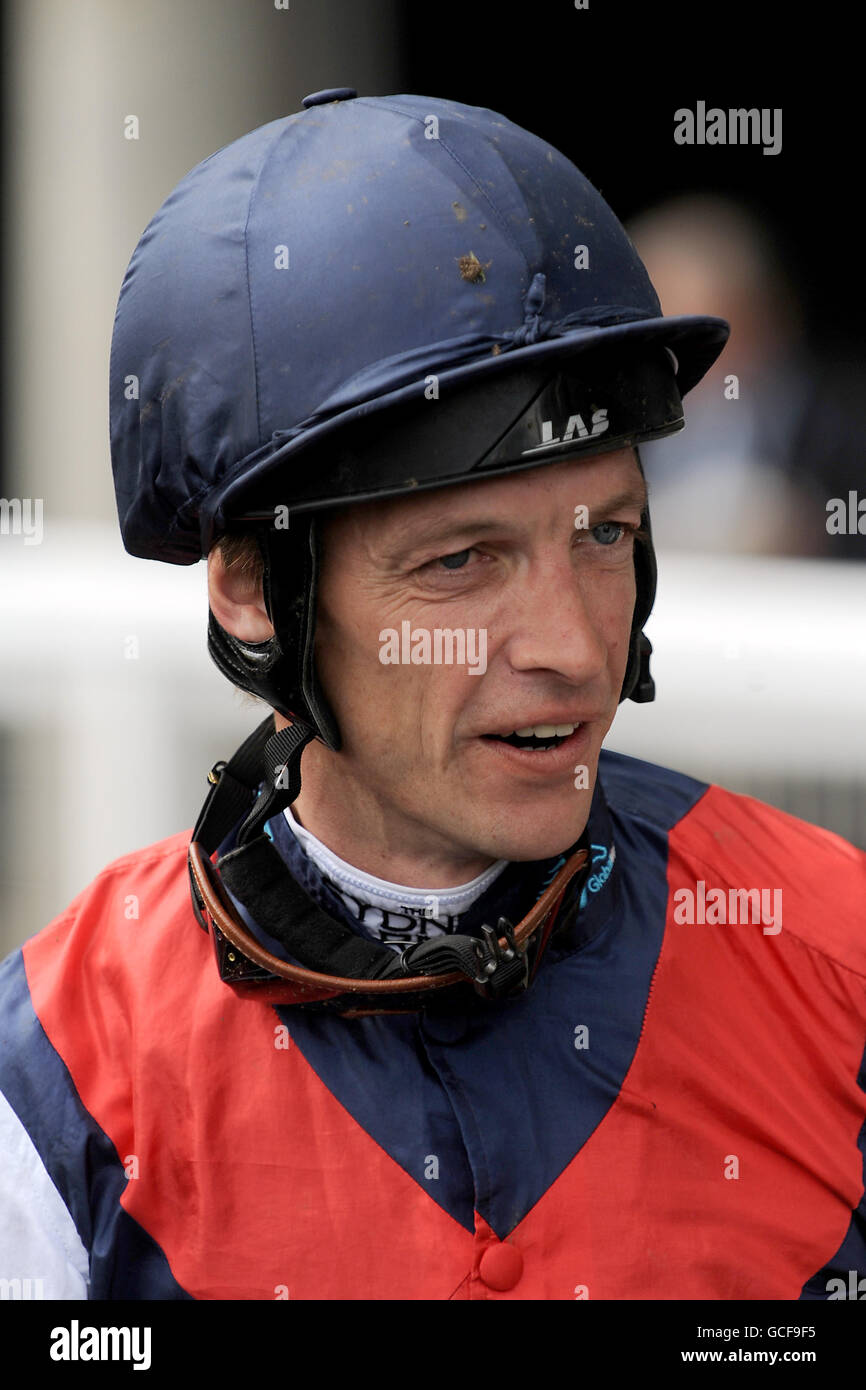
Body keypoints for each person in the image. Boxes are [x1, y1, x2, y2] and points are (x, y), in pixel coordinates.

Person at [1, 89, 863, 1303]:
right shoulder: (58, 1074)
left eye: (605, 534)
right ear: (253, 588)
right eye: (459, 563)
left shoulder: (836, 949)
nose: (570, 646)